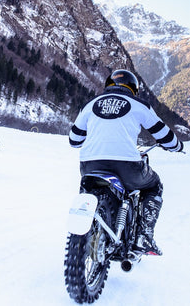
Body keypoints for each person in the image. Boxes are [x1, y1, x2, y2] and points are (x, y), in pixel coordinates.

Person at [69, 69, 183, 256]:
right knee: (154, 185)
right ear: (133, 88)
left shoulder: (89, 105)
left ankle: (91, 226)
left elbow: (74, 140)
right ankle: (144, 237)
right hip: (127, 165)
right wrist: (176, 146)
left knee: (90, 188)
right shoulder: (139, 105)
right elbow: (165, 136)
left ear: (108, 85)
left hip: (90, 164)